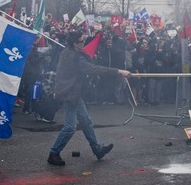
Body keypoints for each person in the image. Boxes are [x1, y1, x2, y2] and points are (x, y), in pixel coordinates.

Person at [47, 30, 131, 166]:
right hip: (69, 93)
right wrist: (119, 71)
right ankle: (53, 153)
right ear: (75, 44)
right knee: (70, 127)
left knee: (86, 121)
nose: (84, 42)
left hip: (74, 92)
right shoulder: (73, 57)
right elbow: (93, 69)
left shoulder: (70, 52)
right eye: (82, 41)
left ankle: (97, 149)